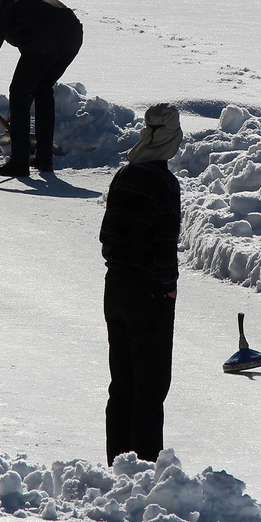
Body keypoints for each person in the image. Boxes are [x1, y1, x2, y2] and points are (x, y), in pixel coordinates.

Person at [99, 103, 183, 464]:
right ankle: (145, 469)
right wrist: (168, 284)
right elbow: (164, 246)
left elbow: (106, 235)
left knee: (122, 384)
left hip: (115, 286)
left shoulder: (124, 175)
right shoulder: (164, 183)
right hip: (148, 292)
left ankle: (118, 464)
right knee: (150, 388)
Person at [0, 0, 84, 176]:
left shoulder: (7, 2)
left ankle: (19, 163)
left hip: (46, 37)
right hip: (73, 36)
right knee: (43, 89)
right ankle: (44, 159)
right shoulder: (29, 0)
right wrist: (19, 114)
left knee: (19, 92)